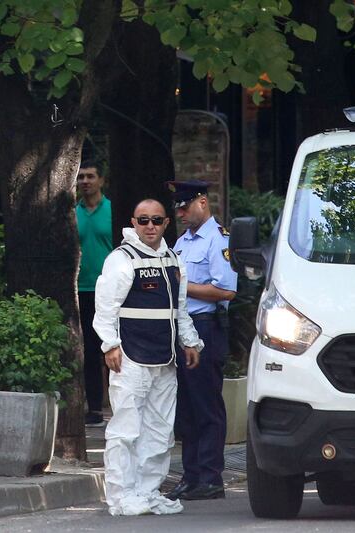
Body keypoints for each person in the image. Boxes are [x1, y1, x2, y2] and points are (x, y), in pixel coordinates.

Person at [93, 198, 204, 516]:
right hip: (131, 357)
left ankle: (146, 490)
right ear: (133, 222)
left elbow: (179, 309)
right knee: (125, 428)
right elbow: (105, 308)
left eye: (156, 220)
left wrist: (190, 342)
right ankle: (120, 495)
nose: (150, 226)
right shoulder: (121, 259)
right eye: (143, 221)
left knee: (159, 430)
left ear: (166, 223)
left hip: (165, 359)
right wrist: (110, 345)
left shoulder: (173, 260)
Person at [164, 181, 237, 501]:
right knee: (187, 409)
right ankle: (191, 476)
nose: (179, 213)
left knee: (206, 405)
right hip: (183, 327)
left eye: (184, 207)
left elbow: (226, 291)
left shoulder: (218, 240)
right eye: (176, 208)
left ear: (202, 203)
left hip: (206, 327)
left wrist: (183, 284)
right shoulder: (182, 242)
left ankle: (210, 476)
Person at [75, 160, 112, 427]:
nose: (85, 181)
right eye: (81, 177)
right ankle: (95, 408)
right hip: (82, 288)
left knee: (112, 347)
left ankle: (118, 405)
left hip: (110, 290)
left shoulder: (112, 210)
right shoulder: (72, 211)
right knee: (88, 350)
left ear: (100, 180)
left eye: (90, 176)